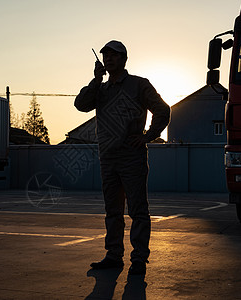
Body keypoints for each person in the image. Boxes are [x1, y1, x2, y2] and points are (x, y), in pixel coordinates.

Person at [75, 40, 170, 275]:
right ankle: (113, 255)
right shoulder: (101, 90)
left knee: (137, 210)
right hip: (108, 158)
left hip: (132, 157)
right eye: (105, 55)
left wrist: (148, 136)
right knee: (113, 211)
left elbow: (163, 110)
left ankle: (138, 259)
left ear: (124, 59)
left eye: (114, 55)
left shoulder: (138, 85)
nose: (108, 59)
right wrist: (96, 81)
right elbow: (80, 104)